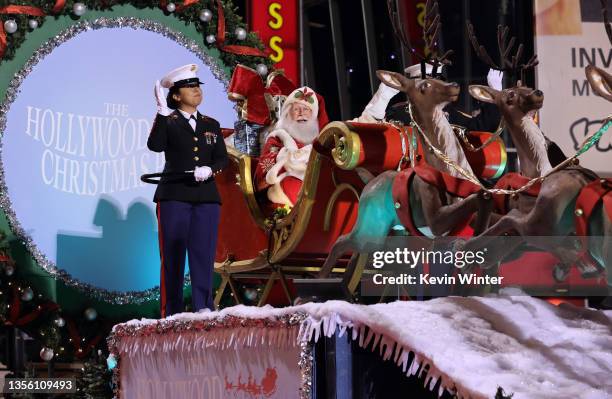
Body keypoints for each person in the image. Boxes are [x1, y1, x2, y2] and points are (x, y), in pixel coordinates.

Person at [147, 64, 228, 317]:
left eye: (197, 86)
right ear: (176, 95)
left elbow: (222, 159)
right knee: (172, 255)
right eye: (189, 87)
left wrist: (210, 169)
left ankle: (203, 308)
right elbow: (155, 145)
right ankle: (171, 312)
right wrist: (160, 112)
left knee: (203, 254)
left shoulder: (211, 124)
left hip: (206, 197)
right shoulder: (168, 122)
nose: (196, 91)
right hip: (174, 195)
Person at [255, 86, 328, 208]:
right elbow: (264, 175)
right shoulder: (278, 137)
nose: (301, 113)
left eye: (306, 109)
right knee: (293, 186)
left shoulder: (321, 141)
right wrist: (289, 161)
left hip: (317, 186)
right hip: (285, 190)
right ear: (288, 113)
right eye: (296, 109)